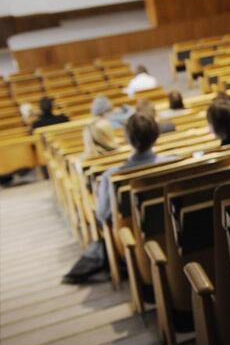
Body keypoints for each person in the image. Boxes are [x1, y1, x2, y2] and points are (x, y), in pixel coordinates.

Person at [64, 112, 171, 284]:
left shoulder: (112, 177)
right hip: (174, 236)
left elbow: (102, 215)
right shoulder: (173, 163)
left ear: (127, 138)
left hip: (133, 244)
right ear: (157, 135)